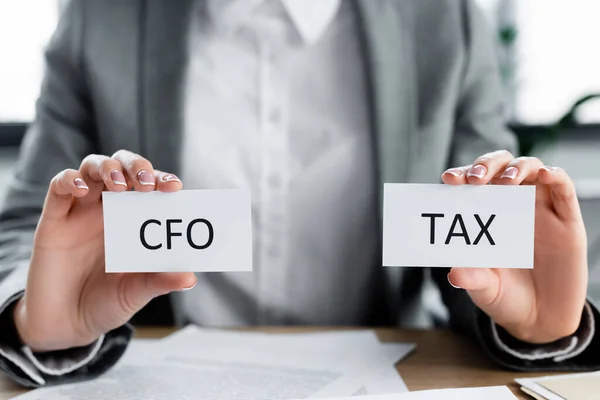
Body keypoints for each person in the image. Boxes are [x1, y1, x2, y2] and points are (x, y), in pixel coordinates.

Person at [0, 0, 597, 387]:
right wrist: (36, 314)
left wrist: (531, 326)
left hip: (393, 374)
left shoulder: (445, 20)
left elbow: (486, 233)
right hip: (147, 375)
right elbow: (35, 217)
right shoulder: (99, 18)